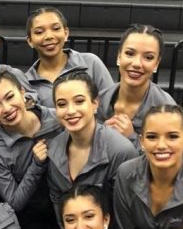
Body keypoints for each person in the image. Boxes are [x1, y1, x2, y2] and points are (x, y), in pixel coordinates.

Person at [0, 67, 64, 229]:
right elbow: (14, 202)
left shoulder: (58, 119)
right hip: (36, 222)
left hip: (72, 208)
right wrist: (36, 165)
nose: (7, 109)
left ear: (23, 93)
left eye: (10, 97)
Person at [46, 69, 137, 219]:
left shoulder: (121, 151)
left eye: (79, 101)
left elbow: (125, 215)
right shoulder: (54, 147)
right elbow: (58, 205)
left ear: (95, 103)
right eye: (62, 104)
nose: (70, 111)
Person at [96, 24, 174, 145]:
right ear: (118, 56)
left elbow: (169, 157)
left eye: (148, 57)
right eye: (130, 53)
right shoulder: (98, 101)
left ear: (156, 64)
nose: (137, 63)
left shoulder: (167, 109)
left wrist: (132, 138)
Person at [23, 6, 113, 106]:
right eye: (39, 32)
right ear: (30, 41)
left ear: (66, 33)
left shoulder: (91, 63)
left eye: (56, 28)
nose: (49, 36)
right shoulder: (26, 82)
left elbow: (110, 106)